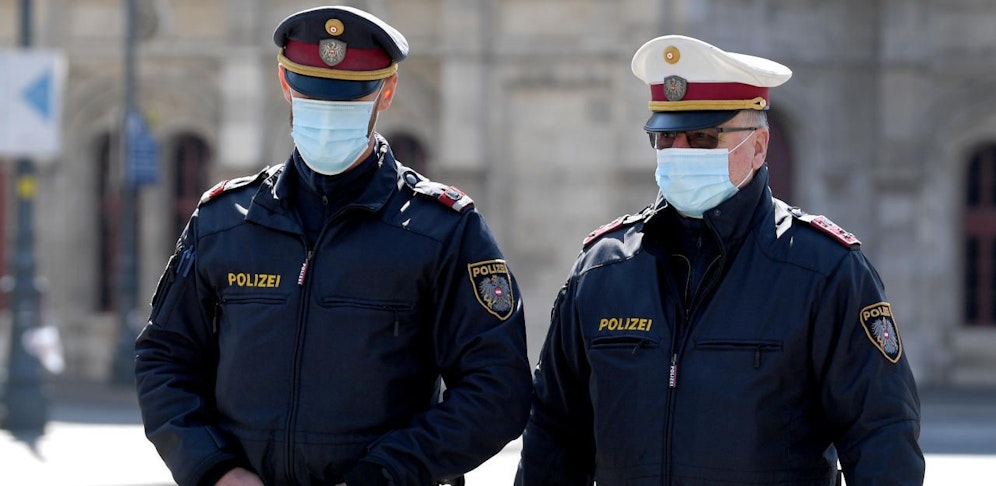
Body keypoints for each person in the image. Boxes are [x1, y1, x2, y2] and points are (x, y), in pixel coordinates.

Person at [134, 6, 532, 486]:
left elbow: (497, 389)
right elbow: (164, 358)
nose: (326, 117)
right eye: (311, 96)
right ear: (285, 85)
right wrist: (213, 467)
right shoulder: (225, 222)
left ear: (386, 92)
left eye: (347, 101)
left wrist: (386, 473)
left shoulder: (443, 230)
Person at [515, 35, 925, 485]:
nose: (679, 152)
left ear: (759, 146)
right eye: (665, 137)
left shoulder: (823, 271)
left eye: (703, 137)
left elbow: (882, 438)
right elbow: (553, 435)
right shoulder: (603, 270)